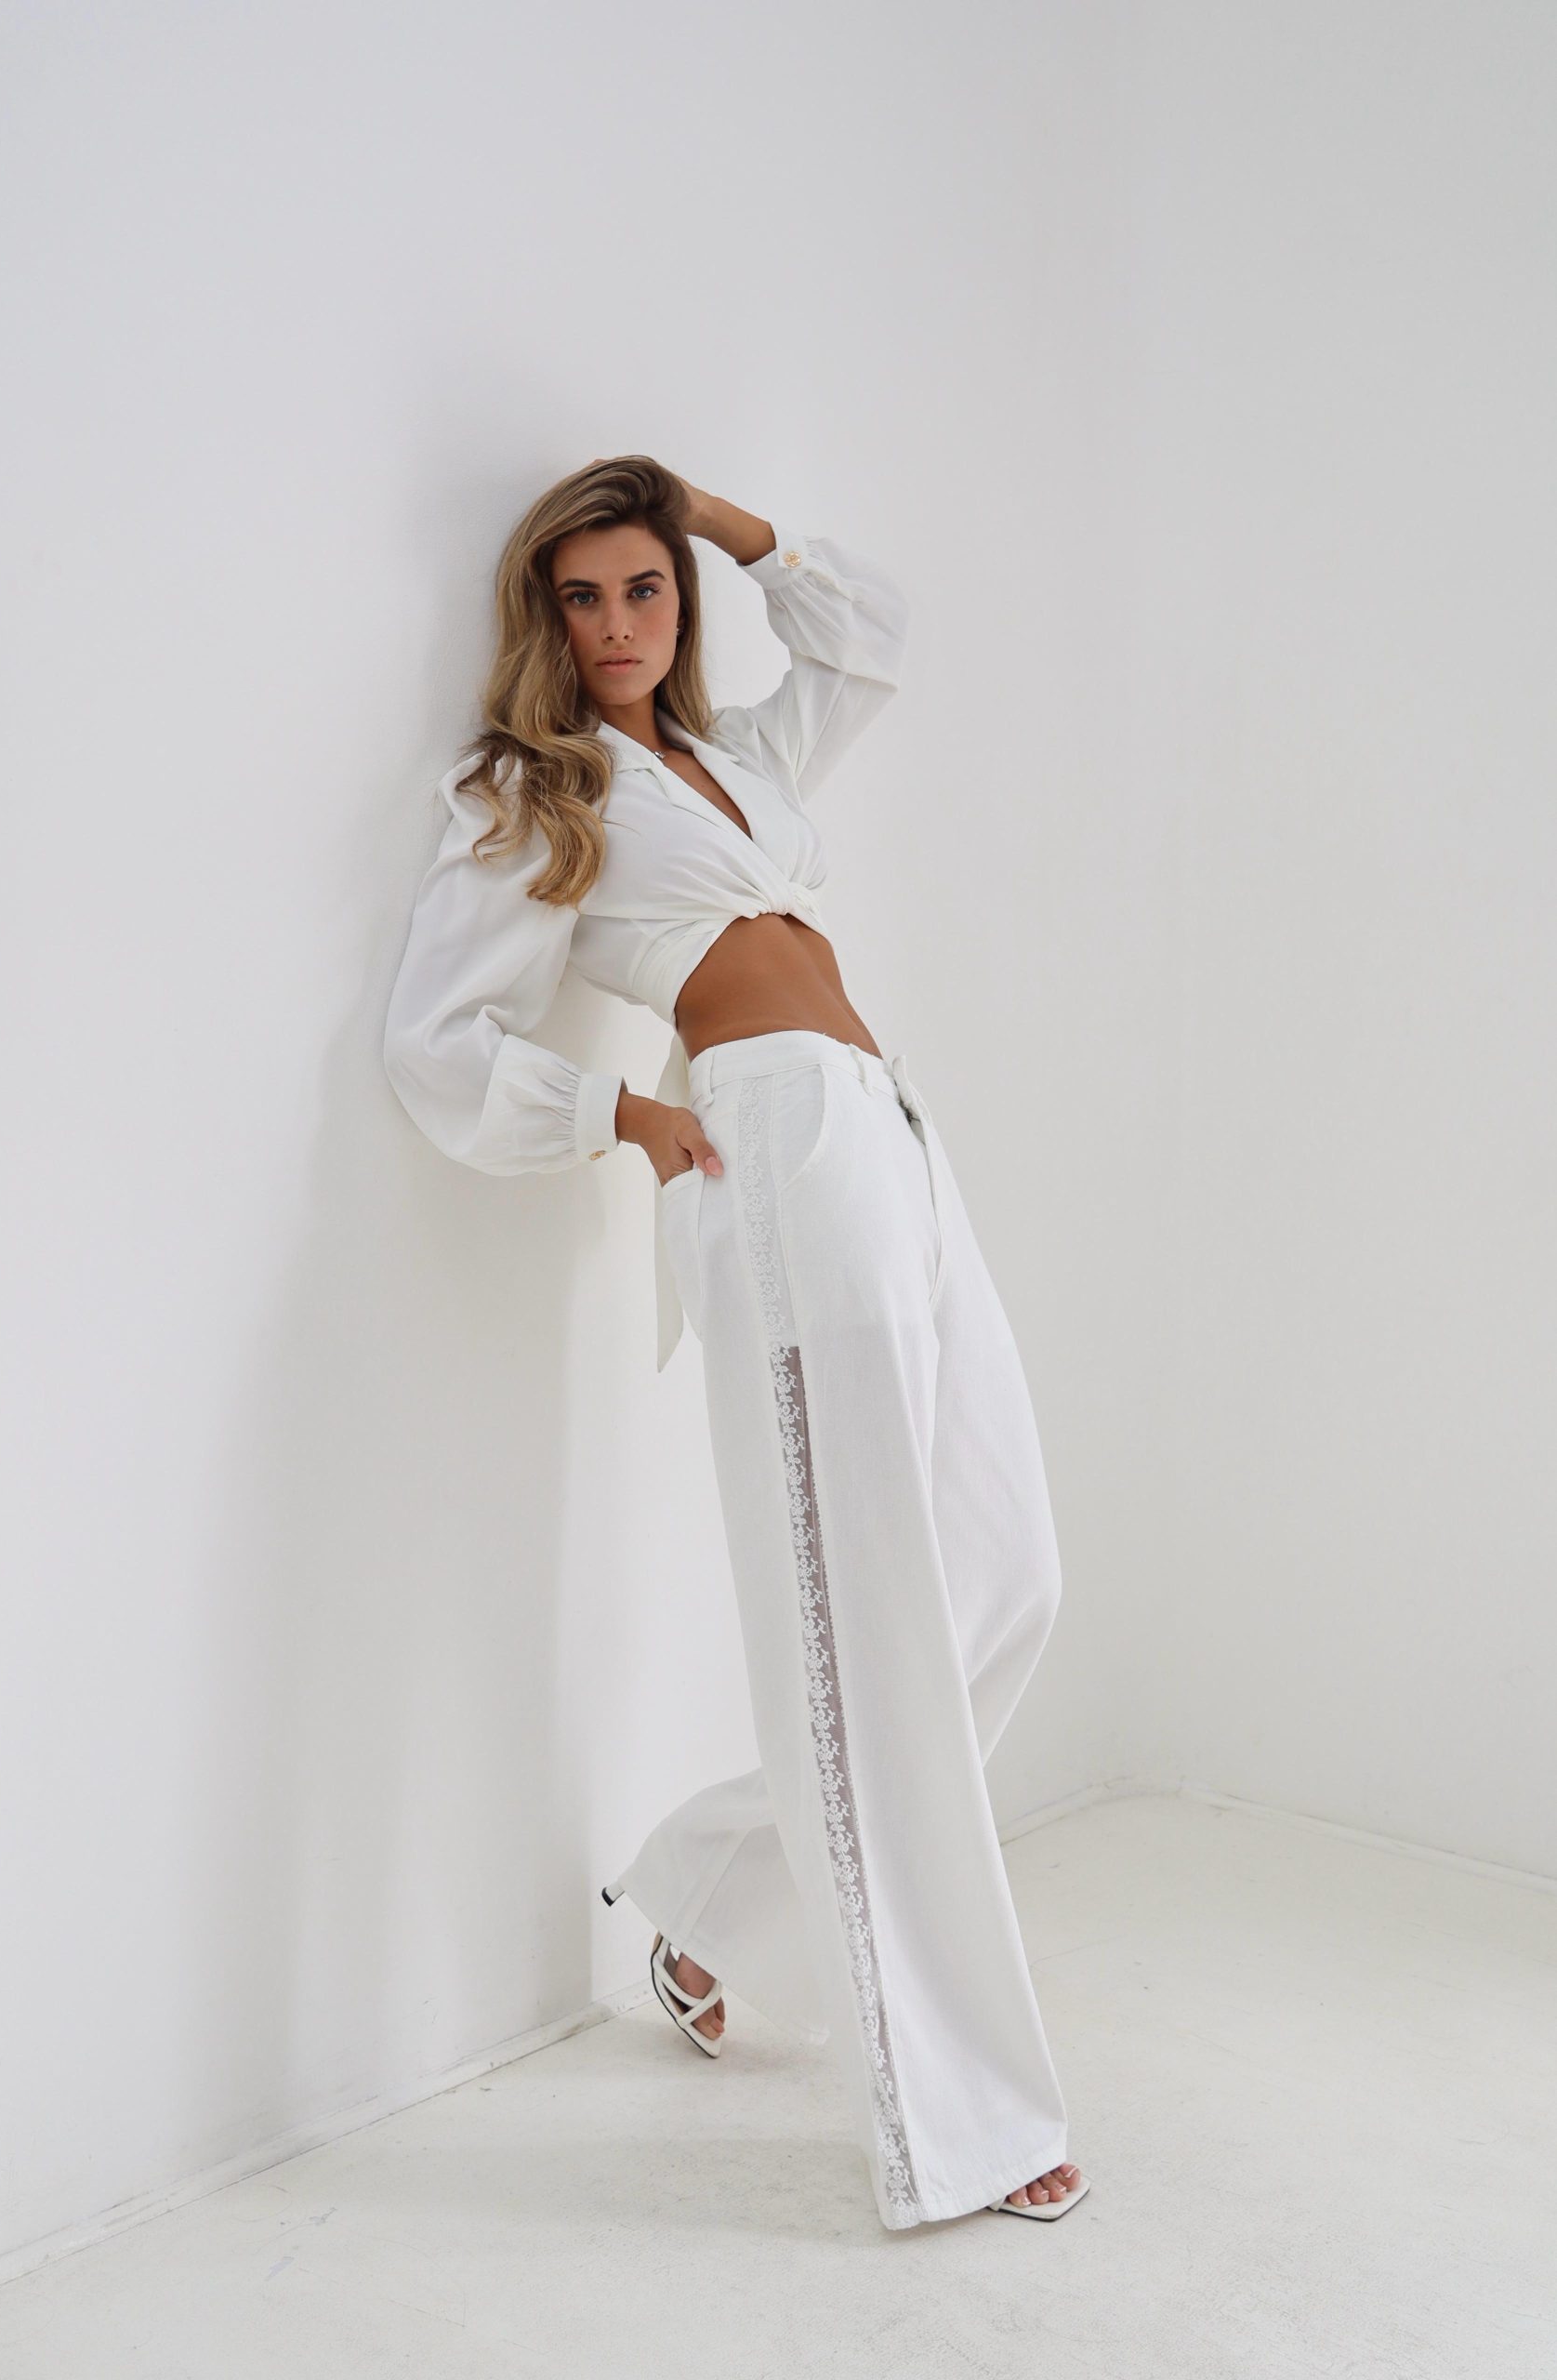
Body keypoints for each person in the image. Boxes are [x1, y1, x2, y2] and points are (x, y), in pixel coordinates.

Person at [381, 454, 1088, 2229]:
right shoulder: (531, 787)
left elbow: (869, 638)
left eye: (643, 587)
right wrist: (617, 1116)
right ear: (543, 622)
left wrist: (716, 517)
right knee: (860, 1627)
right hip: (763, 1142)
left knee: (1007, 1572)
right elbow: (432, 1039)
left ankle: (709, 1896)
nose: (616, 625)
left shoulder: (737, 761)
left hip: (885, 1124)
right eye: (581, 597)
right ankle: (958, 2115)